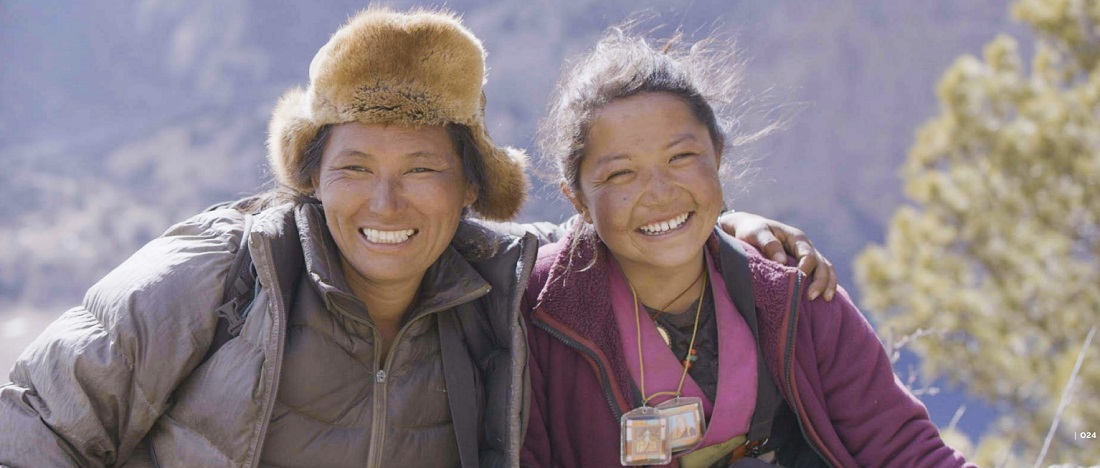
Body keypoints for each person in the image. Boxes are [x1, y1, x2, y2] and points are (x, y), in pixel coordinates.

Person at [0, 7, 837, 468]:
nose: (386, 201)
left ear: (472, 188)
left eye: (423, 170)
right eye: (354, 165)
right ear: (311, 175)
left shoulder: (508, 280)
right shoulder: (223, 273)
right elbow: (38, 425)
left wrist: (723, 226)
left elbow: (627, 228)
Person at [520, 27, 975, 467]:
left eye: (681, 157)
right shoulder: (535, 313)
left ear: (716, 155)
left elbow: (903, 450)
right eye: (621, 174)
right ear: (576, 198)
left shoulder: (793, 292)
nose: (659, 194)